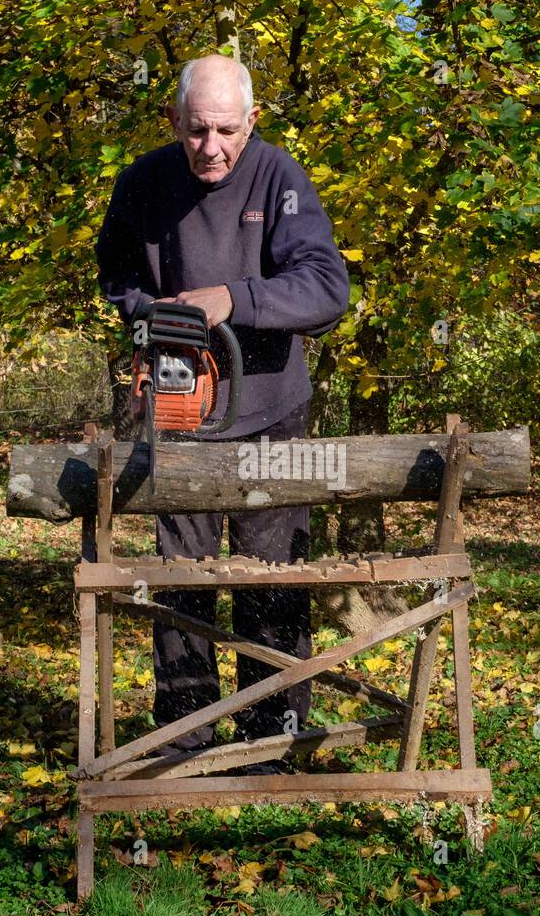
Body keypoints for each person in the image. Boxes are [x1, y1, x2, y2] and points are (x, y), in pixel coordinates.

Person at [95, 54, 349, 765]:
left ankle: (272, 737)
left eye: (227, 131)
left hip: (271, 409)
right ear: (173, 119)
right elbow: (114, 276)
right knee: (182, 580)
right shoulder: (142, 183)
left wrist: (232, 299)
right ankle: (186, 736)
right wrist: (151, 315)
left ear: (253, 121)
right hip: (179, 410)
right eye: (198, 129)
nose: (212, 147)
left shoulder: (280, 178)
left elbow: (328, 289)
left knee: (269, 579)